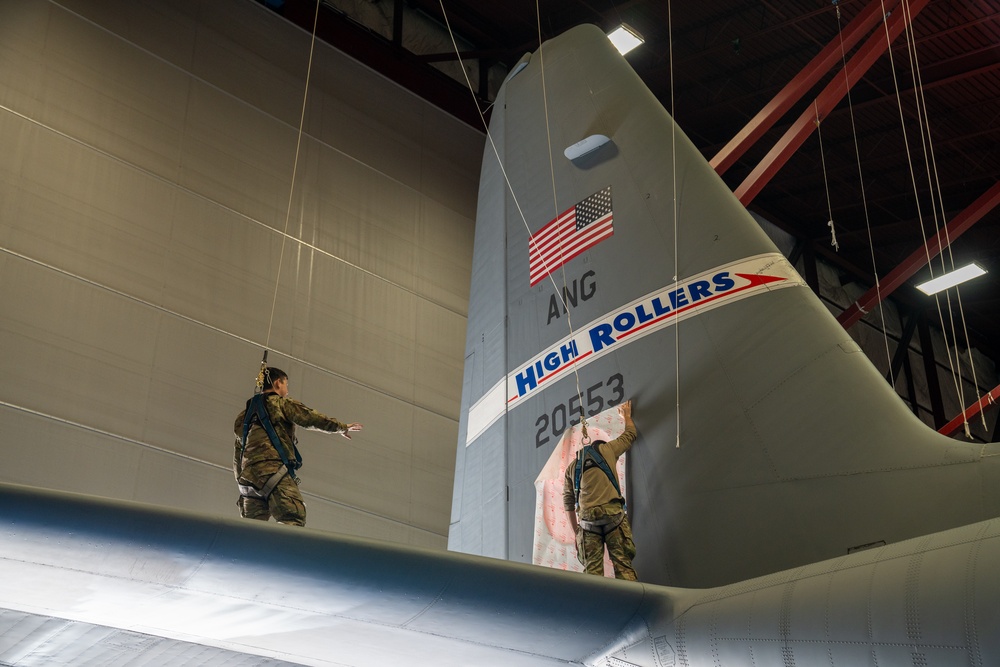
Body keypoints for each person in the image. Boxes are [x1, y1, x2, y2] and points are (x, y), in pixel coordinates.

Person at [233, 367, 362, 526]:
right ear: (278, 383)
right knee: (293, 518)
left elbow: (238, 454)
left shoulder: (243, 416)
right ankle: (282, 551)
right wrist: (341, 427)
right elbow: (310, 418)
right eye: (286, 385)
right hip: (273, 473)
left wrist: (241, 483)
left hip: (248, 483)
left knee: (251, 533)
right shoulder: (281, 404)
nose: (286, 391)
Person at [563, 399, 637, 580]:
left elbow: (568, 503)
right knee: (624, 568)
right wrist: (626, 416)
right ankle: (630, 605)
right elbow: (630, 434)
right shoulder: (607, 450)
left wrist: (577, 532)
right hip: (614, 517)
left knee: (592, 578)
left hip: (588, 524)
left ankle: (599, 607)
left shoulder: (572, 468)